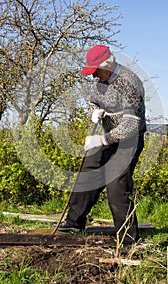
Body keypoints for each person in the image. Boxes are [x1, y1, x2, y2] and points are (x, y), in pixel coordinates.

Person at [57, 44, 146, 249]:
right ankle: (74, 222)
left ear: (107, 65)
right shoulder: (100, 79)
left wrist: (103, 140)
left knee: (116, 185)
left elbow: (131, 125)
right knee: (88, 171)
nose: (93, 76)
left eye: (95, 70)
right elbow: (93, 100)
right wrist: (95, 110)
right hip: (107, 136)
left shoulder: (130, 83)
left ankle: (129, 240)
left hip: (128, 141)